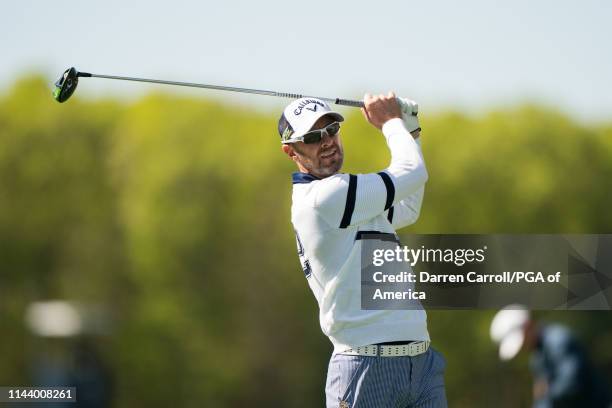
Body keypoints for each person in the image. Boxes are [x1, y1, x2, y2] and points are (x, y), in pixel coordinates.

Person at [279, 93, 447, 407]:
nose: (327, 141)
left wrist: (410, 131)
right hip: (365, 368)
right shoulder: (323, 197)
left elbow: (407, 206)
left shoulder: (349, 196)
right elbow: (412, 172)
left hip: (421, 363)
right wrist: (392, 122)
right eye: (314, 137)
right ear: (291, 151)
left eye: (331, 130)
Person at [490, 305, 612, 408]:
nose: (522, 349)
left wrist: (546, 392)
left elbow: (572, 385)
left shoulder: (559, 342)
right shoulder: (537, 356)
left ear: (528, 325)